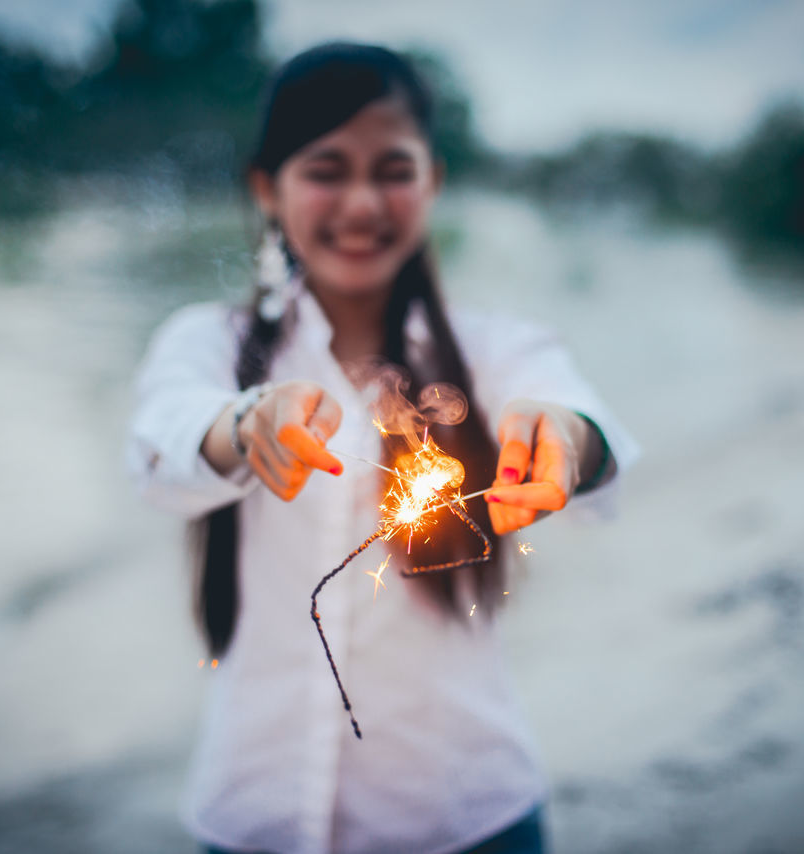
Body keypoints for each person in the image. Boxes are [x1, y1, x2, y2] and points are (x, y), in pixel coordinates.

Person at [127, 42, 638, 854]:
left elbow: (588, 422)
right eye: (326, 169)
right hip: (251, 810)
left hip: (467, 812)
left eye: (393, 170)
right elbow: (160, 442)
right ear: (267, 188)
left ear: (432, 180)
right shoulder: (206, 345)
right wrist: (244, 426)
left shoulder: (493, 348)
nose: (362, 203)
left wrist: (570, 442)